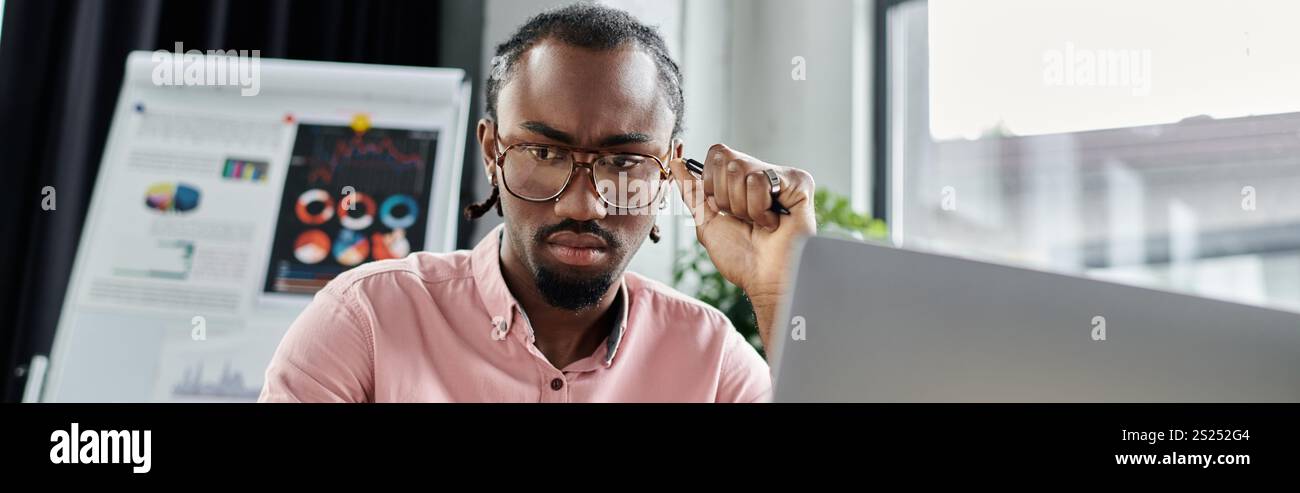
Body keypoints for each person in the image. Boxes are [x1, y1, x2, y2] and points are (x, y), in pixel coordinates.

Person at [259, 3, 815, 402]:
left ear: (670, 169)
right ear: (491, 152)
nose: (582, 206)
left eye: (623, 162)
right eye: (544, 152)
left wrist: (779, 291)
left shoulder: (711, 359)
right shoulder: (366, 323)